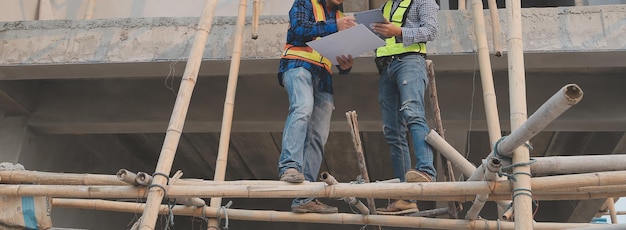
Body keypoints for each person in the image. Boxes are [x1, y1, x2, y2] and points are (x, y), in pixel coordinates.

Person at [276, 0, 356, 214]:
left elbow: (338, 53)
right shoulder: (305, 2)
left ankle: (305, 197)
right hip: (297, 65)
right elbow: (300, 28)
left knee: (319, 135)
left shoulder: (341, 16)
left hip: (323, 77)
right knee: (302, 108)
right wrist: (335, 27)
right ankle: (289, 166)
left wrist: (345, 66)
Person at [370, 0, 439, 213]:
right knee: (392, 131)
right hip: (386, 68)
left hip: (410, 62)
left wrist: (398, 30)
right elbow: (380, 39)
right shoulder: (386, 7)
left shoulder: (423, 1)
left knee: (413, 113)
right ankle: (405, 198)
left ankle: (426, 171)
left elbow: (431, 30)